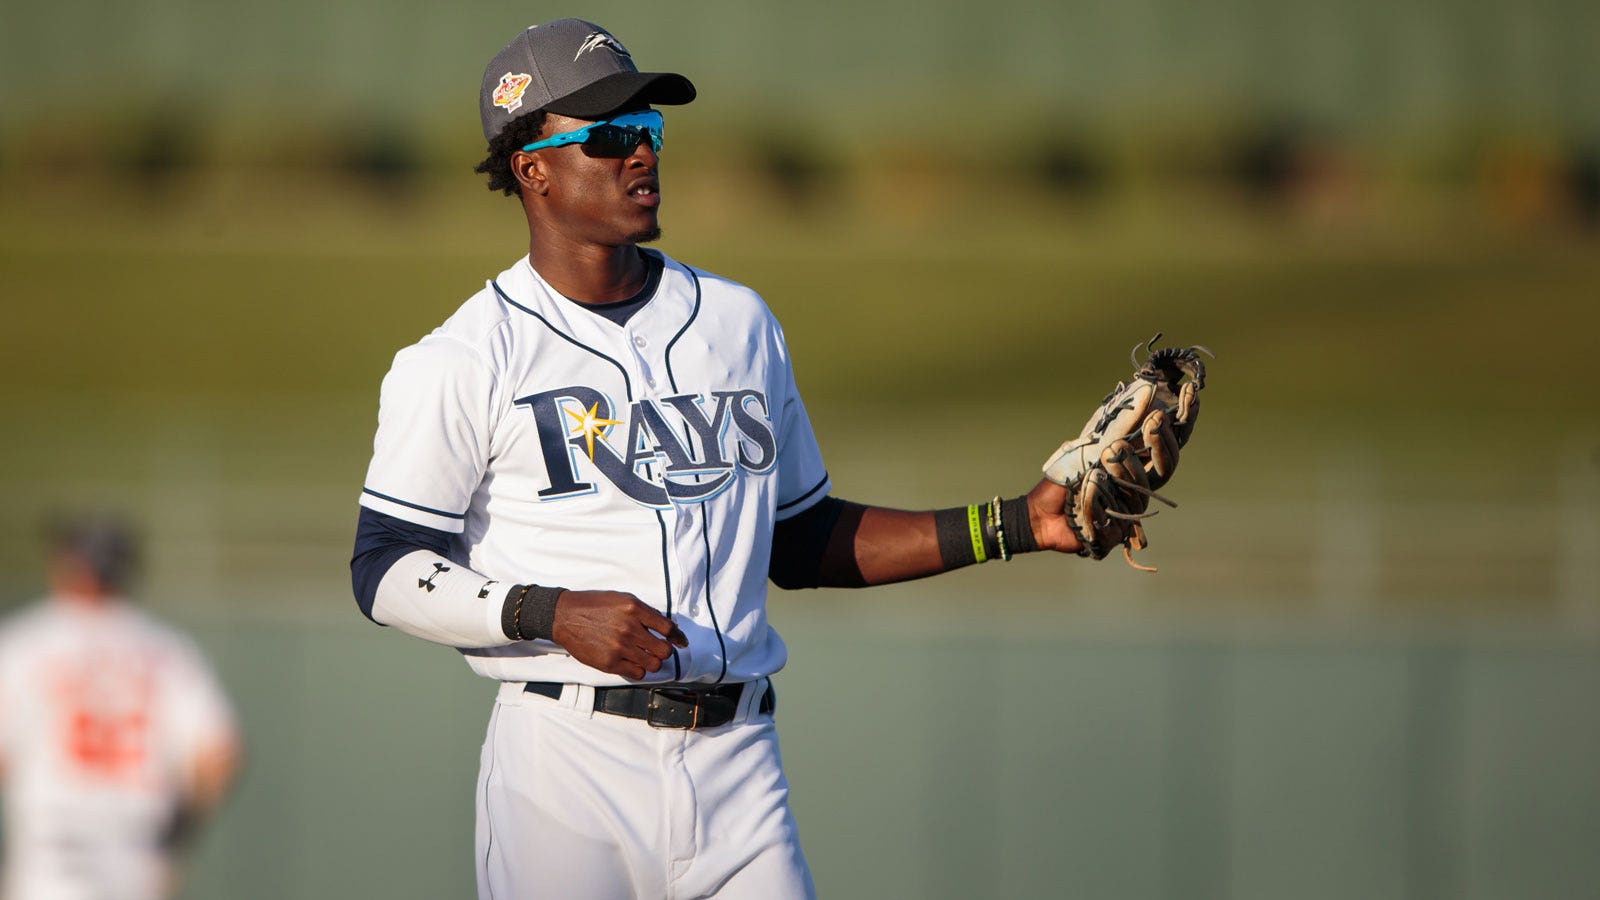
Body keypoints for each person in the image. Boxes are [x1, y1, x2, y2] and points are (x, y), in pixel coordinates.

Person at [349, 18, 1082, 899]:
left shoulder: (738, 323)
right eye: (610, 135)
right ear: (531, 167)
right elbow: (384, 566)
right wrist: (547, 612)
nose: (642, 154)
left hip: (739, 764)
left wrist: (1018, 524)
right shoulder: (465, 357)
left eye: (650, 130)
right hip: (564, 767)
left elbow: (799, 537)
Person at [0, 514, 241, 900]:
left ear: (72, 565)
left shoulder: (26, 643)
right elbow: (220, 756)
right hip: (139, 854)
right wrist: (176, 838)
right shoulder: (167, 649)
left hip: (54, 851)